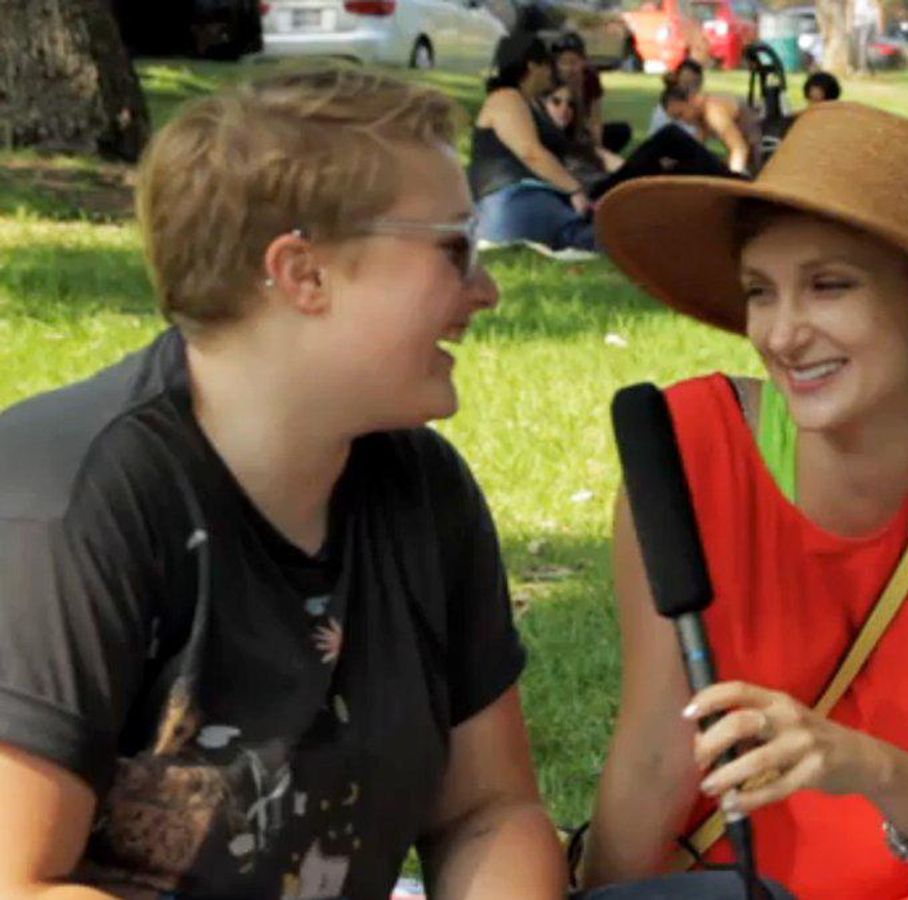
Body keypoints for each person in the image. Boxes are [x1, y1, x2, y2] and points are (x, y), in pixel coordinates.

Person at [0, 66, 567, 898]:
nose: (485, 289)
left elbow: (488, 811)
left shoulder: (420, 487)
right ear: (304, 274)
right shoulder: (70, 503)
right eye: (454, 245)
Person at [583, 102, 908, 897]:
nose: (783, 334)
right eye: (760, 292)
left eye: (829, 286)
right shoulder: (686, 455)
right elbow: (659, 752)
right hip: (744, 881)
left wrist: (864, 765)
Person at [471, 33, 598, 252]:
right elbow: (531, 152)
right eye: (548, 65)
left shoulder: (530, 103)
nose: (552, 72)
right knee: (602, 238)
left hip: (532, 199)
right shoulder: (505, 99)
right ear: (532, 66)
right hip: (513, 200)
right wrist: (575, 189)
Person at [541, 79, 736, 199]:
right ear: (541, 105)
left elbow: (618, 165)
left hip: (616, 185)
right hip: (599, 196)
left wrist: (652, 169)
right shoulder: (541, 143)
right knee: (669, 135)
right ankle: (737, 182)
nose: (564, 109)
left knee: (679, 168)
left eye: (570, 104)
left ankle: (733, 191)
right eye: (556, 102)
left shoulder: (578, 142)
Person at [552, 31, 631, 154]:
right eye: (563, 62)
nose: (569, 68)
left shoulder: (590, 78)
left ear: (583, 61)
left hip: (582, 130)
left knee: (622, 130)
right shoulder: (551, 81)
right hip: (558, 132)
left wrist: (598, 148)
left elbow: (595, 119)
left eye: (573, 62)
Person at [661, 83, 760, 175]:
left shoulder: (713, 112)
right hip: (747, 154)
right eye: (677, 119)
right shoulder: (700, 113)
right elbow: (697, 146)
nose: (682, 121)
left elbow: (739, 149)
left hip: (760, 154)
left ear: (691, 100)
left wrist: (733, 182)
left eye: (680, 115)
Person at [649, 58, 705, 138]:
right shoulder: (673, 104)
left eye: (695, 85)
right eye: (686, 83)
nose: (690, 89)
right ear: (677, 80)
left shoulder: (693, 106)